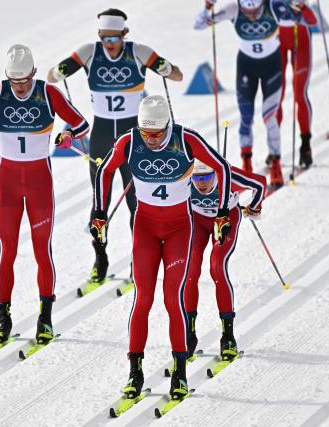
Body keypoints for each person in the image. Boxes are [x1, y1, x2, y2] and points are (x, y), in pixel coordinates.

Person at [92, 95, 232, 401]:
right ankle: (135, 371)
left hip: (180, 229)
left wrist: (222, 211)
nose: (152, 140)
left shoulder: (186, 139)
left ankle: (180, 371)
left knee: (173, 299)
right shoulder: (130, 140)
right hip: (145, 228)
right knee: (142, 298)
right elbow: (104, 171)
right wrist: (99, 212)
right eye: (146, 133)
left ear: (168, 125)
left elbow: (221, 166)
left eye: (157, 134)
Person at [0, 45, 90, 346]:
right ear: (7, 77)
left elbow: (81, 123)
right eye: (15, 82)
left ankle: (45, 317)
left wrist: (67, 135)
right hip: (8, 183)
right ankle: (3, 317)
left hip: (40, 180)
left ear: (34, 73)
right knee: (8, 250)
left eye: (25, 80)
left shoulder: (48, 93)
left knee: (43, 250)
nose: (21, 87)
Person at [47, 8, 183, 286]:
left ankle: (139, 261)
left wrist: (167, 69)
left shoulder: (139, 52)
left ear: (124, 34)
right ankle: (100, 260)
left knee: (137, 203)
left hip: (135, 138)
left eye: (113, 37)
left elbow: (178, 76)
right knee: (100, 204)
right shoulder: (88, 52)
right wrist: (59, 72)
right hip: (101, 137)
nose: (109, 44)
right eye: (104, 37)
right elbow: (51, 76)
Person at [195, 0, 285, 189]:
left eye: (255, 10)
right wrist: (207, 6)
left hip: (272, 66)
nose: (251, 15)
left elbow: (300, 15)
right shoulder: (233, 9)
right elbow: (199, 25)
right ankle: (247, 163)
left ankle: (276, 163)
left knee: (270, 117)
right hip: (246, 67)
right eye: (247, 10)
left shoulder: (273, 5)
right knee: (246, 117)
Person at [184, 161, 266, 362]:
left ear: (215, 174)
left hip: (227, 217)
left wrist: (254, 208)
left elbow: (260, 184)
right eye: (197, 178)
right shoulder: (184, 176)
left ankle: (227, 336)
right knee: (190, 270)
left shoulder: (228, 176)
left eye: (206, 178)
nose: (201, 183)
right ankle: (189, 333)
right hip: (197, 220)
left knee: (217, 267)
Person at [275, 0, 317, 169]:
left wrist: (303, 7)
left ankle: (305, 145)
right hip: (278, 41)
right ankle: (274, 149)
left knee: (299, 94)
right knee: (276, 96)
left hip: (301, 40)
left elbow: (313, 20)